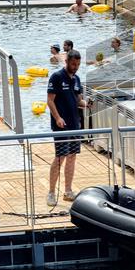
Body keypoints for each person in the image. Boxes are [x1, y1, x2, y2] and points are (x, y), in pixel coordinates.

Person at [46, 49, 86, 207]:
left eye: (78, 64)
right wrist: (57, 118)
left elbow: (78, 100)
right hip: (61, 125)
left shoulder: (77, 79)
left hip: (75, 124)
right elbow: (50, 101)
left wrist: (87, 104)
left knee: (72, 156)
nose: (75, 67)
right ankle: (51, 192)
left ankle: (68, 191)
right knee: (60, 157)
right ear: (67, 62)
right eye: (73, 64)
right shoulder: (56, 77)